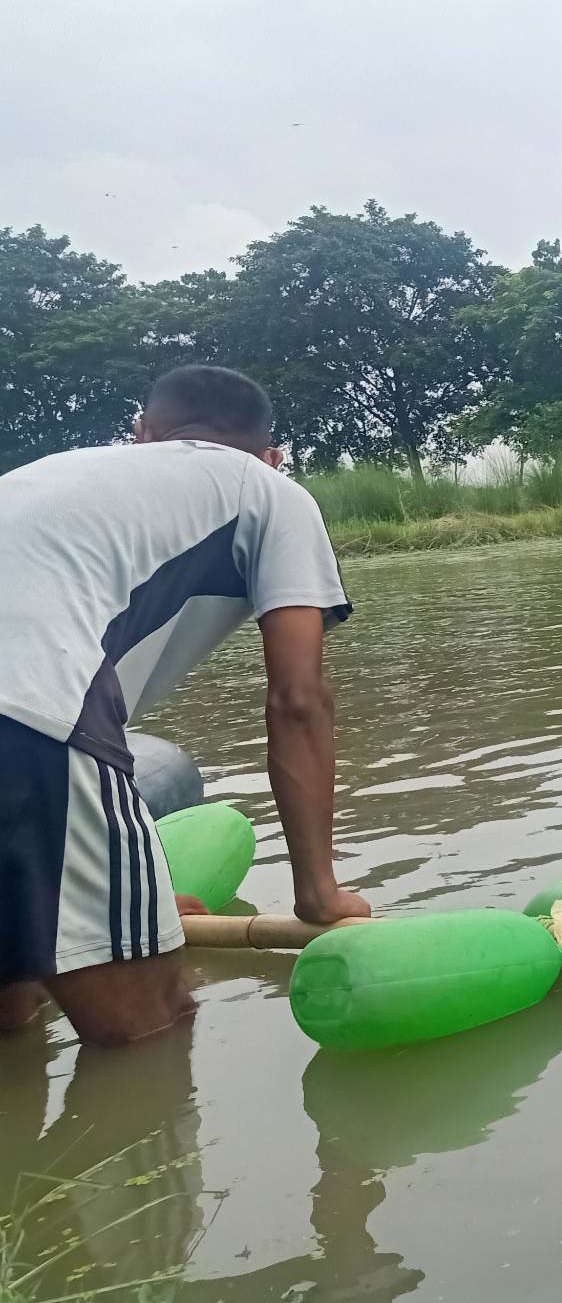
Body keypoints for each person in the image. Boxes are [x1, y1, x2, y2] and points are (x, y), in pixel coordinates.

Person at [0, 365, 370, 1046]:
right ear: (272, 457)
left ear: (142, 435)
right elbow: (298, 699)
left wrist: (127, 896)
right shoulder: (270, 491)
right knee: (157, 1027)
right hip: (28, 716)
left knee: (12, 1015)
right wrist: (318, 893)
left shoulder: (45, 474)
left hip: (25, 724)